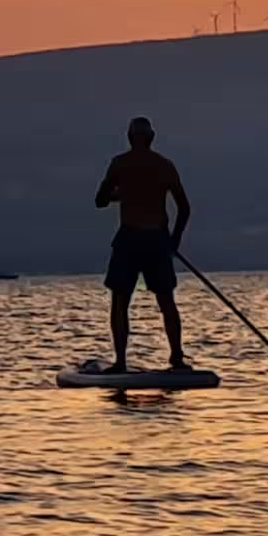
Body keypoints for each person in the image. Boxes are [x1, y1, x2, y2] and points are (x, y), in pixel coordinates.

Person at [94, 117, 192, 373]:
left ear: (129, 138)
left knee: (120, 301)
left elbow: (100, 200)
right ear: (152, 138)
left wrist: (122, 192)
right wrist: (174, 240)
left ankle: (121, 363)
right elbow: (184, 208)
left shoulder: (120, 164)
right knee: (166, 300)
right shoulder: (164, 165)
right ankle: (177, 359)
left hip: (131, 239)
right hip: (157, 239)